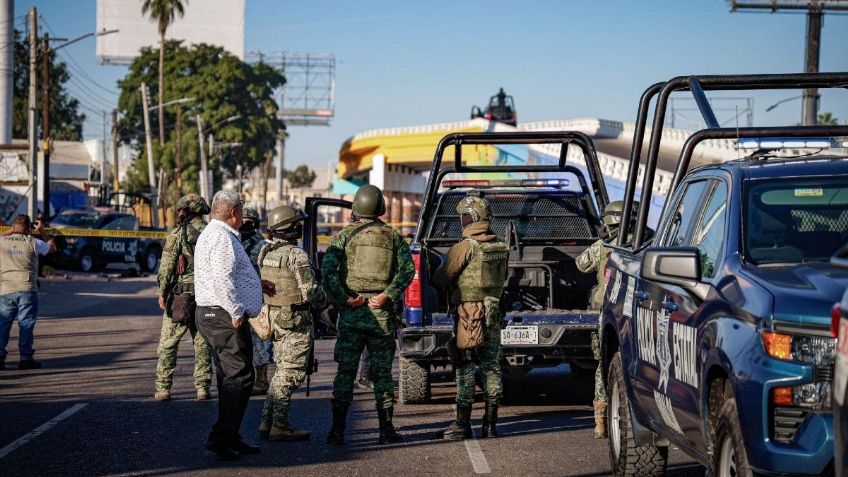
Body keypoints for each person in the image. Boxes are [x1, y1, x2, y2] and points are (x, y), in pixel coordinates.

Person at [323, 184, 414, 445]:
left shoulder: (343, 237)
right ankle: (386, 430)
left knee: (345, 373)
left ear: (355, 208)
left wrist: (345, 298)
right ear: (381, 208)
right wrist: (387, 295)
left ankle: (337, 430)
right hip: (381, 314)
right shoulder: (393, 236)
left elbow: (328, 272)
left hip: (352, 314)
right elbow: (407, 271)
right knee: (383, 374)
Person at [194, 190, 266, 460]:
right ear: (234, 212)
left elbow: (229, 275)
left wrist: (258, 285)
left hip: (215, 313)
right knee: (241, 375)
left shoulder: (213, 234)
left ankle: (229, 436)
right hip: (223, 314)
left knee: (229, 375)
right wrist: (236, 310)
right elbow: (223, 279)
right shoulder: (222, 238)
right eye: (242, 209)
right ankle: (222, 437)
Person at [432, 191, 509, 440]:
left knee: (464, 367)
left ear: (470, 218)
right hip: (493, 312)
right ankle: (490, 425)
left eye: (463, 217)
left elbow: (441, 278)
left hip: (468, 316)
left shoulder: (465, 247)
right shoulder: (500, 246)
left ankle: (462, 425)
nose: (461, 221)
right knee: (492, 367)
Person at [257, 205, 327, 441]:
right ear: (289, 227)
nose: (299, 228)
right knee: (291, 372)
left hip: (274, 318)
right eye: (296, 224)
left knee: (280, 371)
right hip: (296, 320)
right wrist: (325, 301)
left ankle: (267, 422)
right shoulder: (297, 255)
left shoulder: (265, 252)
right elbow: (311, 292)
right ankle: (280, 424)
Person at [575, 200, 630, 439]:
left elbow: (581, 264)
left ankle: (600, 422)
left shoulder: (602, 246)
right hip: (629, 311)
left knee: (603, 364)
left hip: (606, 312)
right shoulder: (639, 244)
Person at [154, 194, 214, 401]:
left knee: (168, 343)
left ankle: (163, 388)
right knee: (203, 342)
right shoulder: (213, 233)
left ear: (185, 212)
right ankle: (203, 387)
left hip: (181, 296)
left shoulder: (178, 234)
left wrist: (161, 293)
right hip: (206, 296)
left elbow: (167, 266)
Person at [0, 215, 56, 370]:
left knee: (3, 324)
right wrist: (43, 231)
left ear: (13, 226)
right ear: (29, 228)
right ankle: (25, 359)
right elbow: (52, 247)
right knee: (26, 324)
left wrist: (10, 230)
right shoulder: (33, 242)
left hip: (5, 289)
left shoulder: (2, 241)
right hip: (27, 288)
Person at [239, 207, 271, 395]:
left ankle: (261, 379)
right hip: (236, 298)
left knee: (258, 339)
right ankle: (243, 378)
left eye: (249, 221)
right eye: (242, 220)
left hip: (256, 299)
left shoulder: (262, 245)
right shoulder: (233, 241)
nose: (245, 224)